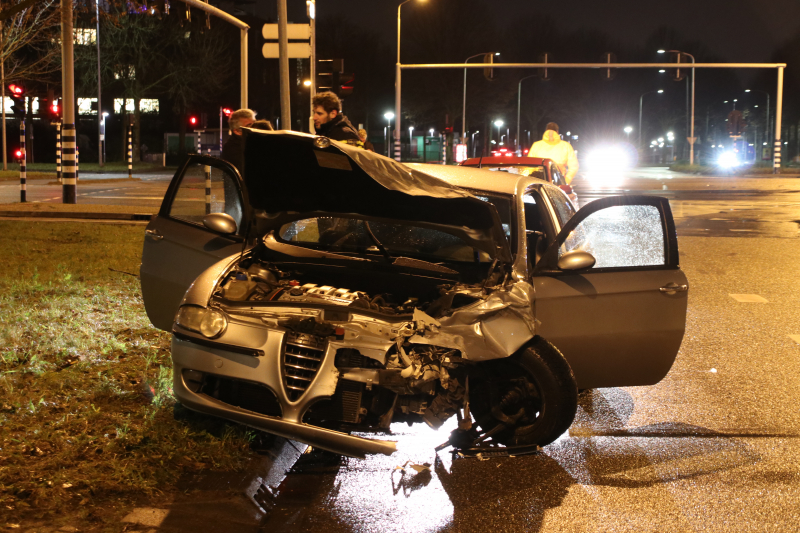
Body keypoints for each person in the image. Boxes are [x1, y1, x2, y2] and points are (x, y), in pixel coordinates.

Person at [221, 108, 256, 174]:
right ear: (237, 131)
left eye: (255, 124)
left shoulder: (251, 143)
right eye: (250, 126)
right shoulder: (232, 149)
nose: (255, 128)